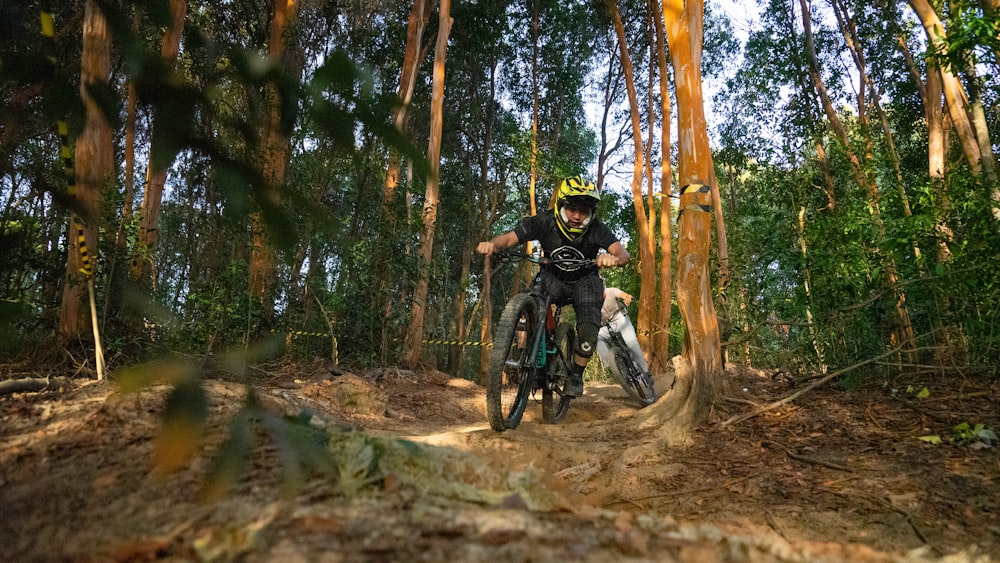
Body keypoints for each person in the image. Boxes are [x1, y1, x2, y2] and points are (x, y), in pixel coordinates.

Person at [477, 175, 630, 397]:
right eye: (572, 209)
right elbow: (509, 239)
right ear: (561, 206)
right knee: (528, 307)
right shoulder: (544, 221)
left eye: (584, 211)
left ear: (591, 213)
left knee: (588, 328)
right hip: (551, 276)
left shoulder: (597, 229)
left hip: (585, 282)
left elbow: (622, 253)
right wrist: (491, 244)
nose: (577, 216)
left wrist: (612, 258)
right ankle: (528, 354)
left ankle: (576, 375)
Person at [596, 287, 650, 380]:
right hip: (605, 326)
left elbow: (624, 295)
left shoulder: (611, 291)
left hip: (621, 321)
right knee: (595, 337)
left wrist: (627, 298)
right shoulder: (590, 302)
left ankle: (645, 371)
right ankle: (612, 364)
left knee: (632, 344)